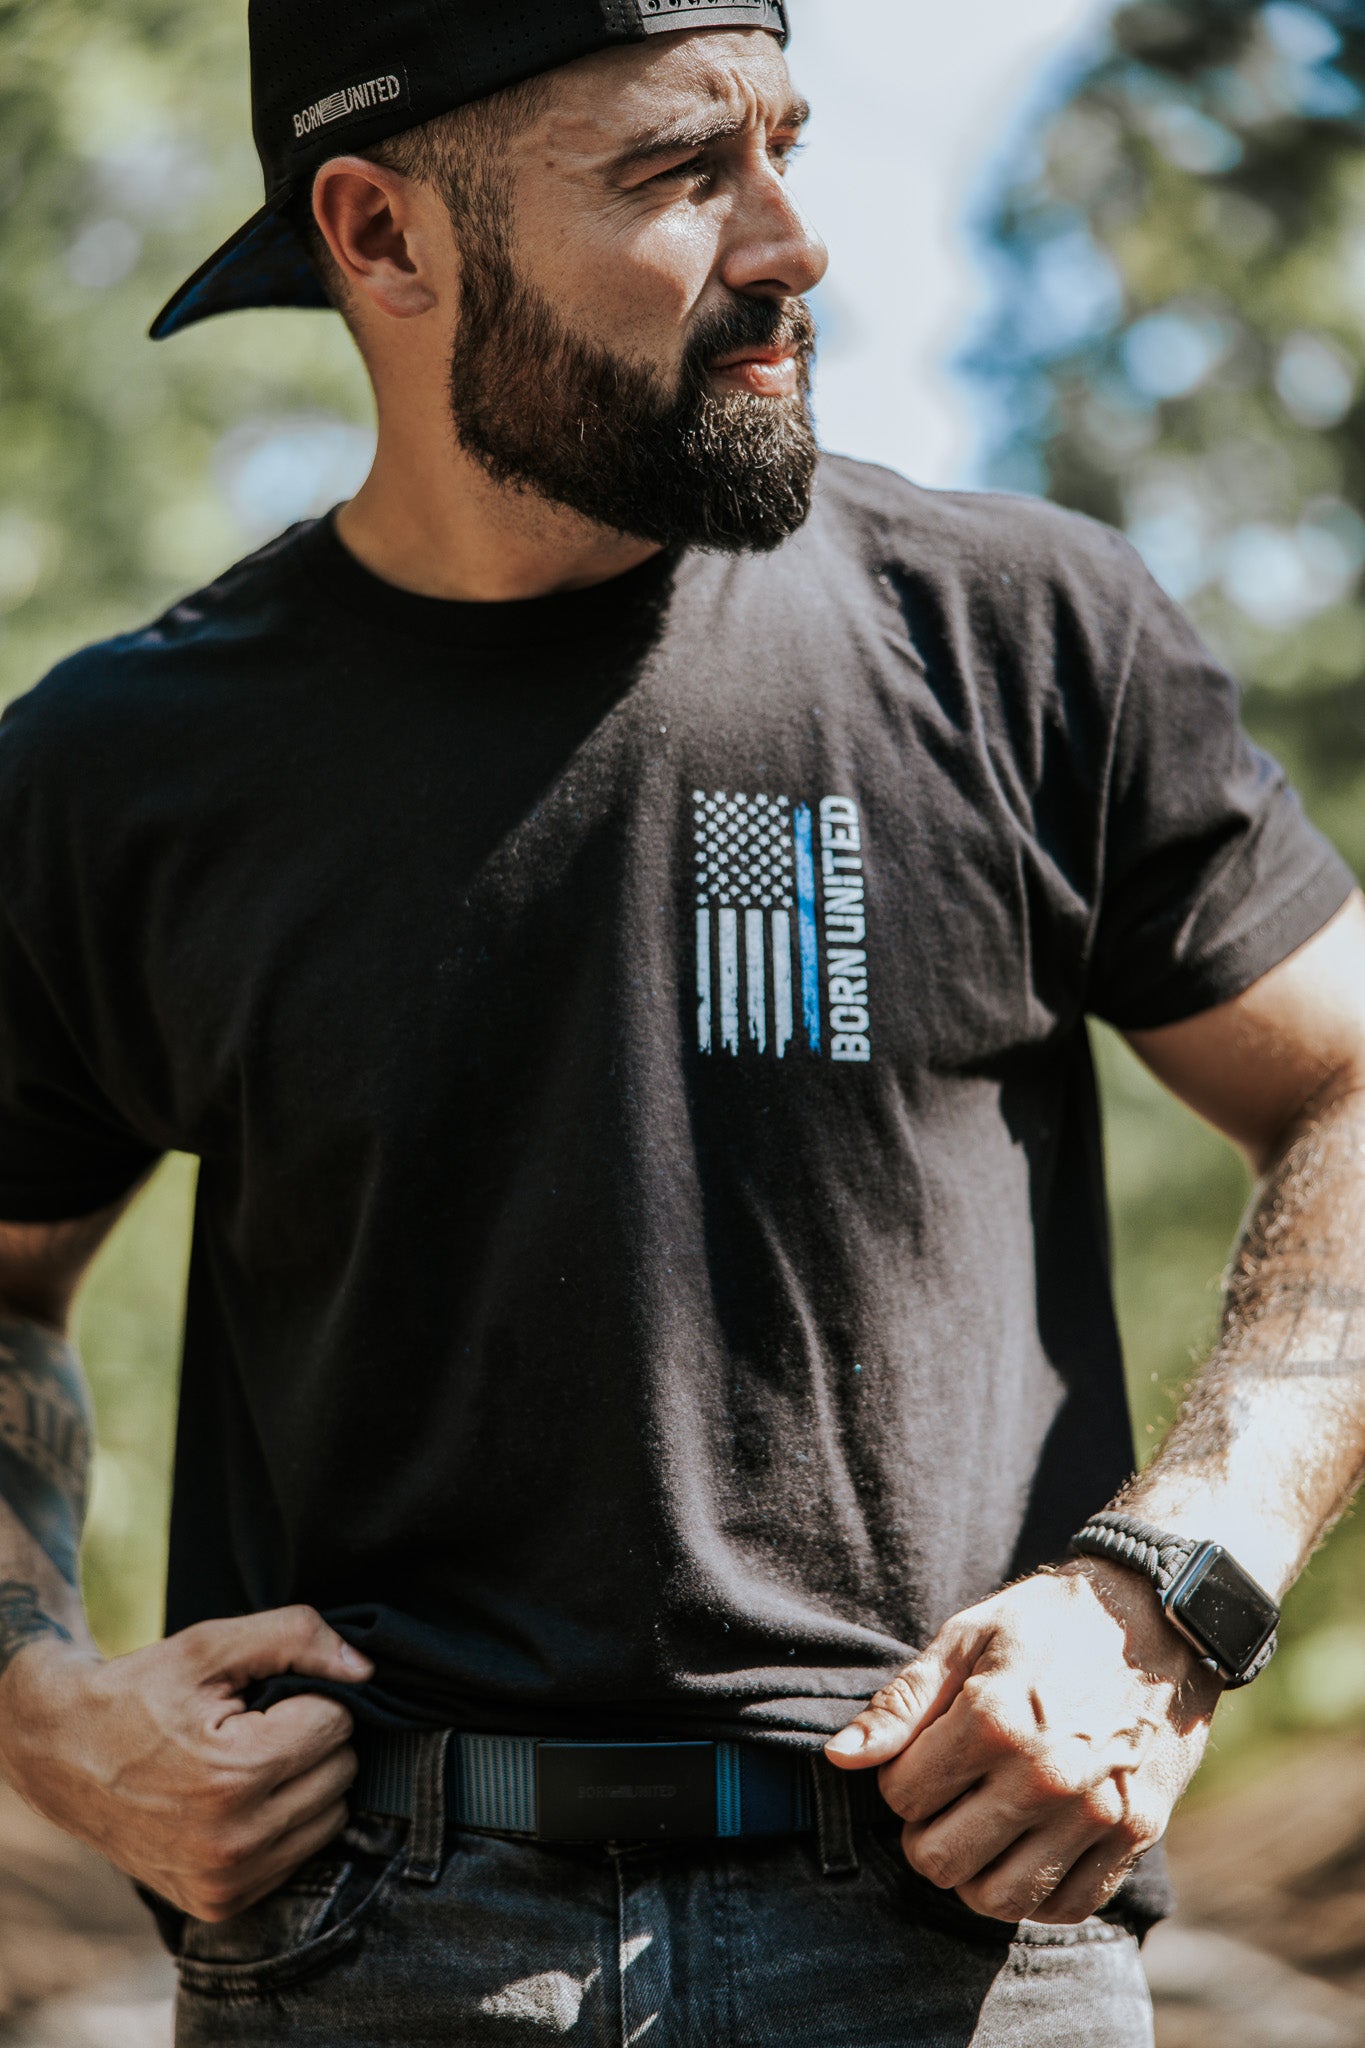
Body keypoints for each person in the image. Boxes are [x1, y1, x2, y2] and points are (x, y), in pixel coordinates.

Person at [0, 1, 1362, 2042]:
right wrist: (34, 1695)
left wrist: (1175, 1582)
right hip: (365, 1949)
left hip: (959, 1936)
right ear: (378, 236)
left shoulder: (1021, 635)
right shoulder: (121, 767)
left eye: (785, 147)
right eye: (672, 172)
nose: (788, 241)